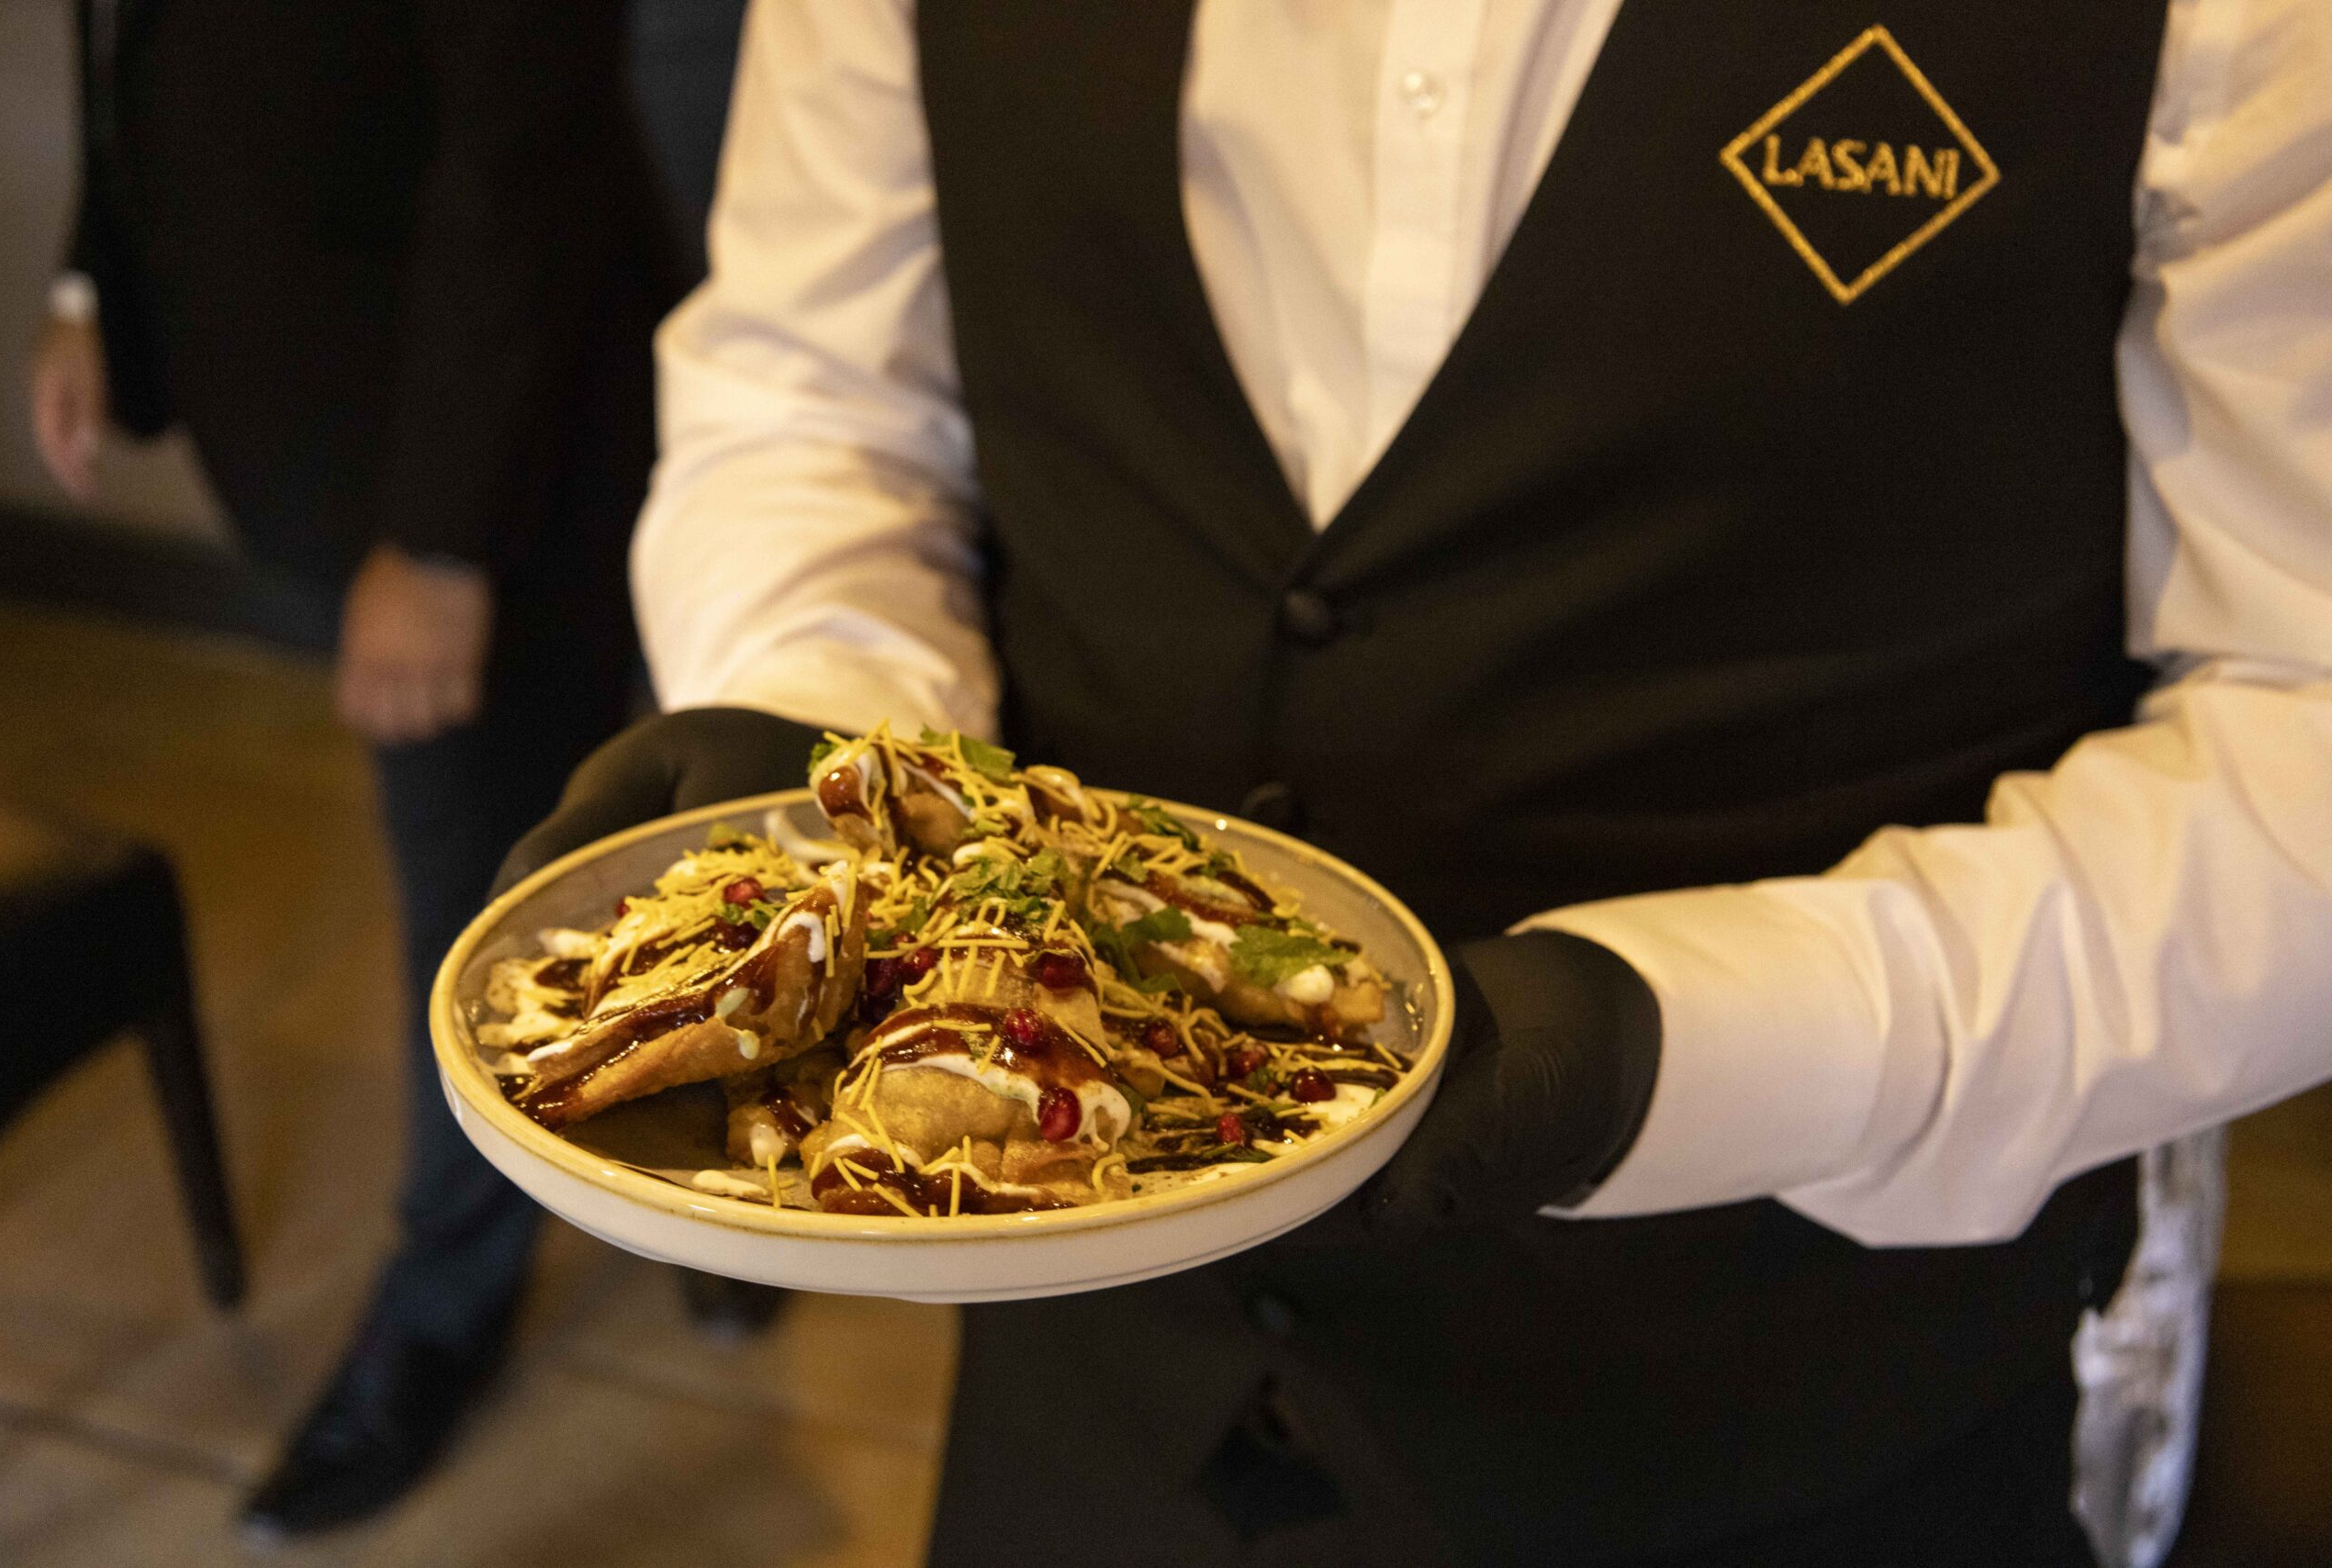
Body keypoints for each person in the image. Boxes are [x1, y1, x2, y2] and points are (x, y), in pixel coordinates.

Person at [500, 1, 2332, 1562]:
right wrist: (818, 723)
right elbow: (820, 396)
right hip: (1095, 1384)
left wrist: (1672, 1041)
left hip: (1790, 1413)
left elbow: (2297, 716)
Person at [25, 0, 753, 1538]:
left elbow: (522, 154)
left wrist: (440, 537)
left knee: (498, 897)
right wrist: (98, 283)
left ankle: (450, 1305)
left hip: (505, 438)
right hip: (336, 406)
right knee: (547, 856)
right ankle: (687, 1166)